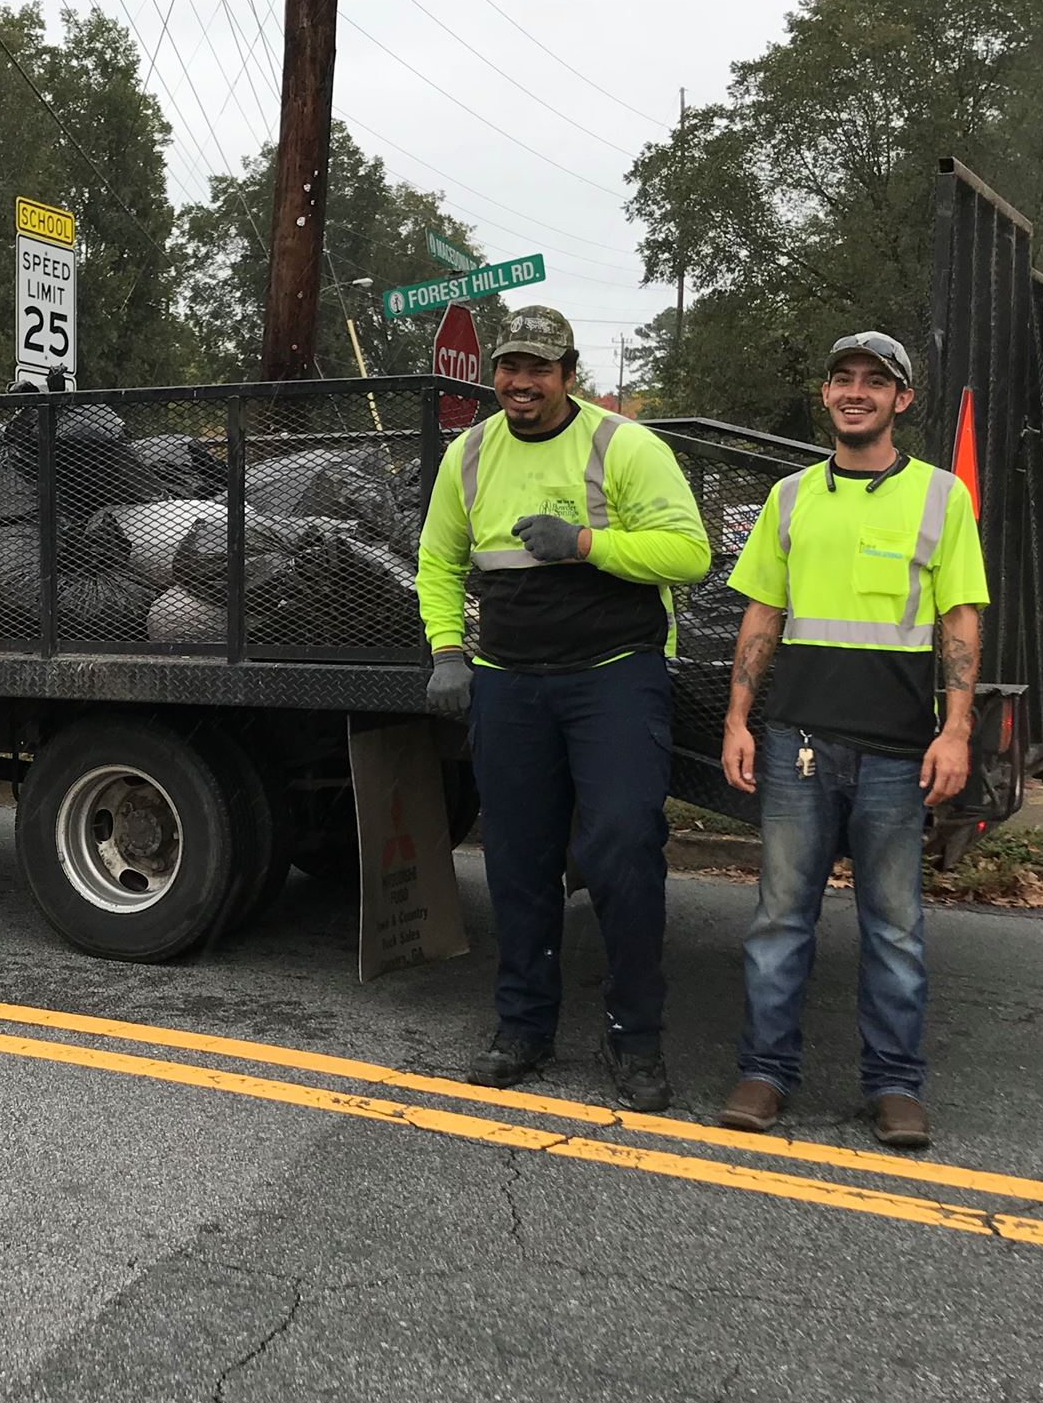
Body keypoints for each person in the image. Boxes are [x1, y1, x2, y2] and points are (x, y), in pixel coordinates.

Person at [416, 305, 711, 1100]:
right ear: (495, 376)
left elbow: (690, 552)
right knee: (516, 858)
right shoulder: (468, 456)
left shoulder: (623, 445)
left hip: (613, 672)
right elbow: (438, 563)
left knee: (621, 845)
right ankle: (523, 1028)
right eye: (510, 367)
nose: (521, 382)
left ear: (568, 376)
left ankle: (636, 1038)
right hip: (509, 678)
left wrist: (585, 543)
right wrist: (448, 652)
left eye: (539, 369)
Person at [716, 330, 988, 1150]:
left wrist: (956, 731)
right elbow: (763, 612)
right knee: (778, 919)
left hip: (898, 750)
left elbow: (959, 619)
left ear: (903, 400)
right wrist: (738, 717)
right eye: (843, 380)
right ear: (828, 396)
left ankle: (895, 1086)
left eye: (876, 381)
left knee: (895, 926)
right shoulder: (791, 497)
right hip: (799, 741)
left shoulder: (943, 498)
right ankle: (764, 1073)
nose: (856, 392)